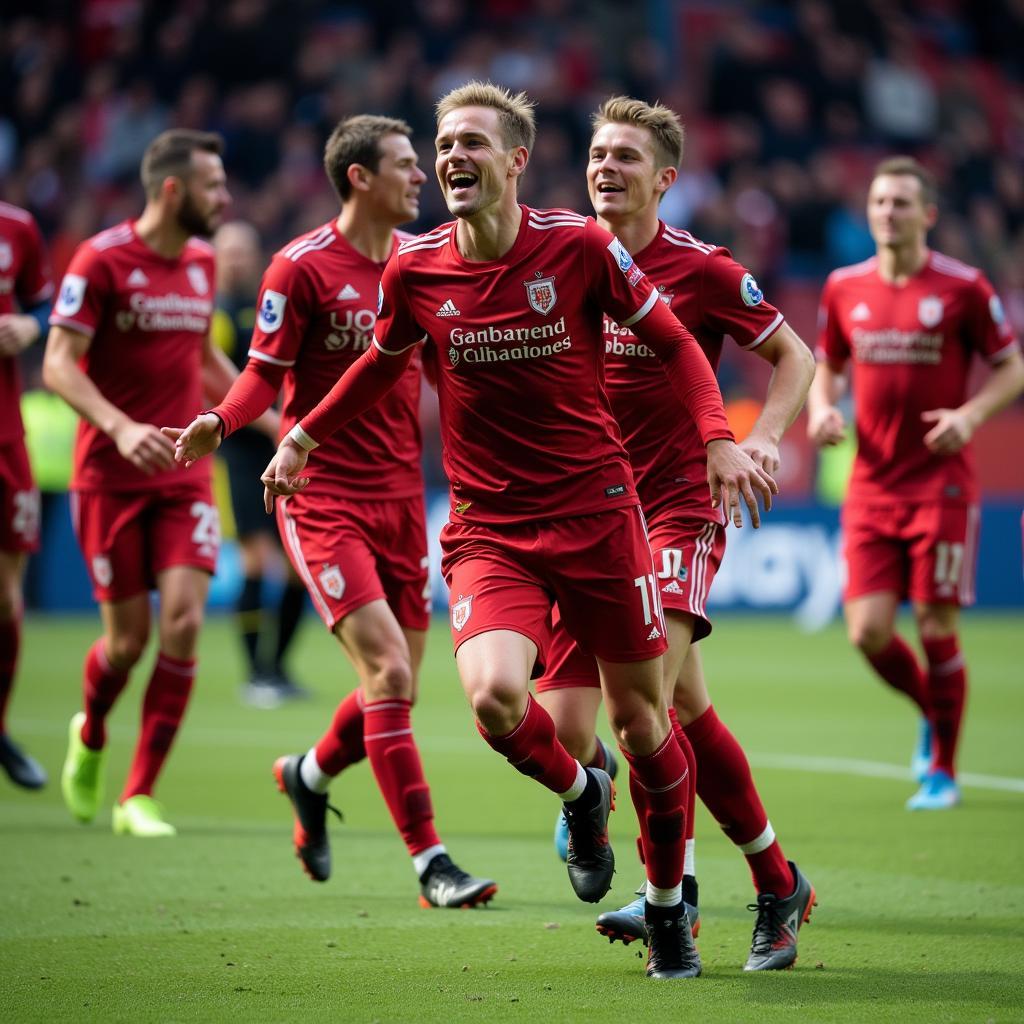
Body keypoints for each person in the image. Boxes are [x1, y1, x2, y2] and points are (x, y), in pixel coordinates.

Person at [247, 82, 776, 980]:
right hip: (491, 528)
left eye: (472, 144)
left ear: (516, 161)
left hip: (604, 519)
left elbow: (683, 346)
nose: (452, 157)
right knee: (495, 699)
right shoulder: (414, 267)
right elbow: (381, 366)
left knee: (646, 720)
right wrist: (300, 436)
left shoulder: (578, 246)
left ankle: (666, 912)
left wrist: (723, 440)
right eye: (444, 143)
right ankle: (581, 790)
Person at [164, 116, 496, 909]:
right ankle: (431, 863)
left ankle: (307, 776)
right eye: (407, 166)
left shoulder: (423, 263)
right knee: (385, 669)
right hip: (320, 497)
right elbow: (258, 374)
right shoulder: (299, 266)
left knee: (400, 686)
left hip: (400, 499)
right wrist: (225, 420)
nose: (423, 178)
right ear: (360, 177)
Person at [534, 97, 818, 971]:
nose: (606, 167)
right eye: (596, 153)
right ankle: (777, 882)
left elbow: (795, 356)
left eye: (626, 156)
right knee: (624, 722)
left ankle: (677, 899)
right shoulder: (558, 256)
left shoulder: (703, 268)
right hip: (586, 518)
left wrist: (758, 437)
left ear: (665, 179)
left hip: (677, 511)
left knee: (643, 710)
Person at [808, 156, 1024, 810]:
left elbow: (1012, 369)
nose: (888, 213)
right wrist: (821, 408)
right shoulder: (844, 287)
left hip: (942, 486)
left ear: (927, 214)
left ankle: (944, 772)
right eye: (879, 202)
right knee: (868, 633)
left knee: (935, 626)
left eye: (901, 203)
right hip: (872, 485)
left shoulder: (963, 288)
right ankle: (933, 710)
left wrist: (970, 414)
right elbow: (828, 366)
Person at [42, 129, 242, 836]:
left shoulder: (200, 261)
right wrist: (122, 426)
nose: (224, 198)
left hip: (185, 473)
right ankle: (91, 732)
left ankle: (139, 795)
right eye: (213, 186)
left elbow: (200, 359)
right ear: (172, 189)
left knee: (184, 620)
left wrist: (272, 416)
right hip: (109, 476)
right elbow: (59, 363)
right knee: (126, 643)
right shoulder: (101, 259)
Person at [212, 221, 308, 708]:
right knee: (255, 560)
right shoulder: (217, 316)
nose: (235, 261)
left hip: (282, 446)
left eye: (242, 252)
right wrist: (273, 425)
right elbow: (217, 386)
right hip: (240, 453)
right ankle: (254, 674)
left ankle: (277, 669)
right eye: (226, 252)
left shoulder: (271, 309)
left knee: (297, 566)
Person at [0, 201, 54, 790]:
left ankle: (0, 726)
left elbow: (46, 301)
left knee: (5, 596)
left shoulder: (17, 226)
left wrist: (32, 325)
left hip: (6, 437)